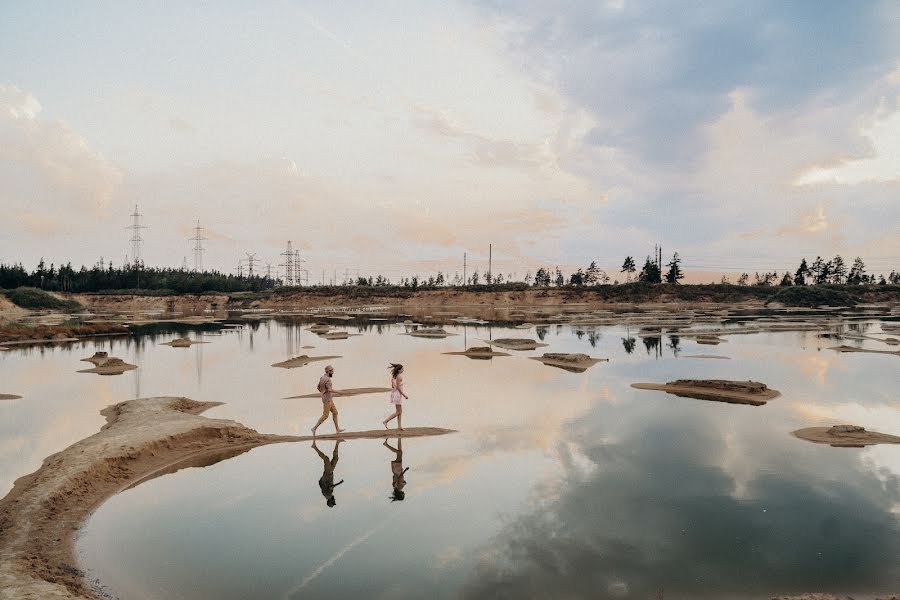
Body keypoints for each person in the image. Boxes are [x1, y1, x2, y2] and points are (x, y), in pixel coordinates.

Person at [312, 364, 344, 436]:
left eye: (332, 371)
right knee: (325, 415)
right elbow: (329, 389)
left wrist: (323, 392)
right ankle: (314, 428)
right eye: (331, 371)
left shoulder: (322, 378)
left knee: (335, 412)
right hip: (327, 400)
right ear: (328, 371)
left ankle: (337, 429)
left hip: (327, 398)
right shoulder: (328, 380)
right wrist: (339, 392)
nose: (333, 372)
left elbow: (318, 387)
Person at [312, 439, 343, 508]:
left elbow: (330, 487)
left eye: (333, 502)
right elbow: (321, 484)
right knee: (336, 458)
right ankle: (337, 442)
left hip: (328, 473)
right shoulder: (326, 495)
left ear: (330, 501)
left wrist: (339, 483)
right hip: (329, 473)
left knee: (326, 459)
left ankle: (314, 447)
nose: (334, 500)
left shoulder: (328, 495)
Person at [382, 363, 408, 431]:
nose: (403, 370)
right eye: (402, 369)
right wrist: (404, 395)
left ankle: (399, 426)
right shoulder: (399, 376)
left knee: (399, 411)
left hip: (395, 394)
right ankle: (386, 421)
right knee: (398, 412)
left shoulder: (394, 376)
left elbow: (393, 386)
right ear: (399, 370)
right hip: (397, 394)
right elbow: (398, 387)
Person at [384, 437, 409, 502]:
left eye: (403, 495)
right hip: (396, 470)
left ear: (400, 495)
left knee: (399, 453)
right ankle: (399, 437)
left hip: (398, 470)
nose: (404, 494)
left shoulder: (399, 488)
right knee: (400, 451)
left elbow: (399, 478)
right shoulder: (396, 488)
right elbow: (394, 478)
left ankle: (386, 445)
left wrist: (405, 470)